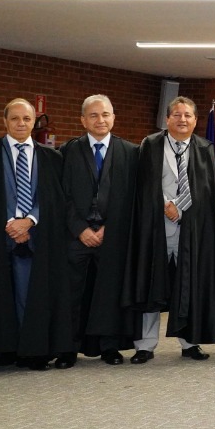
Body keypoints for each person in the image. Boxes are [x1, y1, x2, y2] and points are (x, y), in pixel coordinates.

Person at [0, 98, 71, 374]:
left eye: (26, 119)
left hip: (36, 236)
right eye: (15, 118)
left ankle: (32, 352)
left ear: (34, 122)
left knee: (31, 297)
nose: (20, 124)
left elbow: (54, 198)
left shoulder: (52, 156)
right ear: (4, 122)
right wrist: (10, 223)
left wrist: (29, 220)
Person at [127, 95, 215, 361]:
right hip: (155, 229)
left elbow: (207, 192)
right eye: (177, 115)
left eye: (188, 116)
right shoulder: (150, 145)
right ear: (167, 119)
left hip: (190, 231)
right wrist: (165, 204)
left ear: (195, 120)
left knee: (188, 285)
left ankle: (189, 342)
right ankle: (145, 345)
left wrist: (181, 208)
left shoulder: (204, 148)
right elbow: (144, 184)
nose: (183, 120)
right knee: (151, 284)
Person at [61, 94, 139, 365]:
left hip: (112, 236)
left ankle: (109, 347)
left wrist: (108, 228)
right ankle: (68, 348)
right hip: (76, 235)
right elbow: (62, 196)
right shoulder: (67, 150)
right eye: (93, 115)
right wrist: (80, 228)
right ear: (83, 120)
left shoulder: (131, 152)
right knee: (71, 293)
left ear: (113, 117)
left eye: (105, 114)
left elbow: (132, 198)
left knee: (109, 293)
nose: (100, 120)